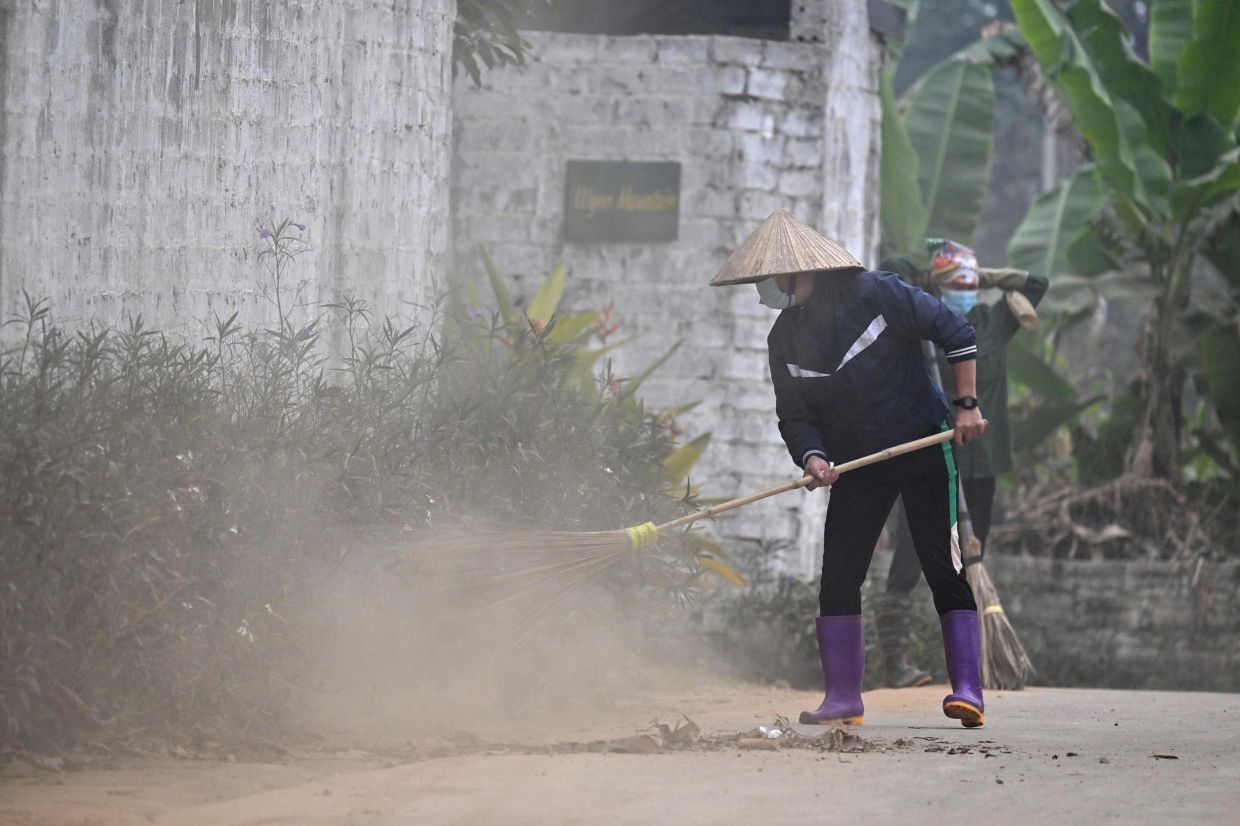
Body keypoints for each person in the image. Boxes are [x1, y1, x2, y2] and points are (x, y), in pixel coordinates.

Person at [710, 210, 989, 728]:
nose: (770, 287)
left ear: (805, 271)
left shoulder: (879, 292)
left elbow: (958, 333)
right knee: (839, 574)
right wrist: (813, 456)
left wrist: (966, 404)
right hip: (858, 463)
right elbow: (794, 416)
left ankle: (968, 690)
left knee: (942, 566)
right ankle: (843, 696)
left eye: (777, 277)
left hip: (925, 444)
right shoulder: (783, 339)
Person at [874, 240, 1048, 689]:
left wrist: (979, 272)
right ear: (938, 284)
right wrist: (937, 277)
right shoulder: (925, 320)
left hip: (981, 462)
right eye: (957, 283)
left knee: (970, 558)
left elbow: (1037, 284)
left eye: (971, 283)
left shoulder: (993, 324)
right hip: (929, 455)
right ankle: (895, 660)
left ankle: (970, 664)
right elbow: (892, 266)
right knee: (911, 555)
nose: (965, 289)